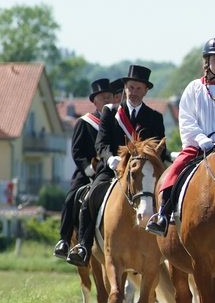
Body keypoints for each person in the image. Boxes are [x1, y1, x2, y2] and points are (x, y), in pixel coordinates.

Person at [145, 37, 215, 236]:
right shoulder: (194, 88)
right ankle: (163, 214)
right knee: (175, 170)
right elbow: (186, 118)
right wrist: (201, 139)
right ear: (207, 62)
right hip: (199, 145)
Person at [68, 65, 166, 266]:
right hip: (113, 169)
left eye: (139, 88)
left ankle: (167, 240)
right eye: (131, 87)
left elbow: (160, 147)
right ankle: (84, 246)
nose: (134, 92)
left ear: (146, 91)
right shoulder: (110, 112)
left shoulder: (155, 117)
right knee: (89, 197)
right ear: (125, 88)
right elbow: (101, 143)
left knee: (167, 195)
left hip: (144, 172)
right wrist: (109, 158)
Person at [53, 78, 113, 259]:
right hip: (88, 170)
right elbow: (77, 151)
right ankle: (64, 239)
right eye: (103, 98)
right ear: (94, 101)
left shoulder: (116, 122)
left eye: (110, 97)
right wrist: (89, 169)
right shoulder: (85, 122)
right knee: (72, 196)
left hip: (110, 169)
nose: (107, 101)